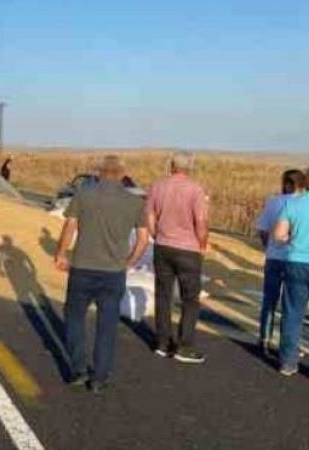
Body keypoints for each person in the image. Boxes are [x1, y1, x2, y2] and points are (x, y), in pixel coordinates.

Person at [55, 155, 149, 393]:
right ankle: (99, 377)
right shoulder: (135, 202)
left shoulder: (84, 195)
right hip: (113, 272)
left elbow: (70, 226)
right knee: (107, 325)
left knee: (74, 317)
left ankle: (78, 369)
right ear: (122, 175)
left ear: (99, 172)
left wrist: (61, 253)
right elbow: (143, 239)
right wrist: (129, 262)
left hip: (83, 268)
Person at [146, 151, 209, 364]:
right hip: (188, 248)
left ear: (171, 165)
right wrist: (202, 244)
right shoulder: (196, 189)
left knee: (163, 295)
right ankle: (184, 346)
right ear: (189, 167)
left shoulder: (157, 186)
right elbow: (200, 221)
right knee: (190, 299)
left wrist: (157, 235)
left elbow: (150, 216)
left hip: (163, 245)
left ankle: (162, 343)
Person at [254, 169, 307, 354]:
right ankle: (288, 344)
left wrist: (267, 247)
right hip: (295, 258)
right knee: (291, 306)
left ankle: (264, 338)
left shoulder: (273, 201)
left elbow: (261, 229)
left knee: (269, 300)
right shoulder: (303, 203)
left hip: (274, 256)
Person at [273, 164, 309, 377]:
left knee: (292, 313)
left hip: (296, 261)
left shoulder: (293, 204)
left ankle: (288, 363)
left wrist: (292, 240)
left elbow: (278, 235)